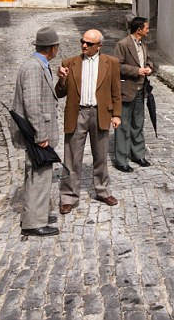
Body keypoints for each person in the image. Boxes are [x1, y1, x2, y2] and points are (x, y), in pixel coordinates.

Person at [57, 29, 122, 214]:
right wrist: (62, 80)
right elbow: (59, 93)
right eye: (82, 42)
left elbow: (116, 91)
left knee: (101, 155)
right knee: (71, 157)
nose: (84, 46)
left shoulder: (111, 63)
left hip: (100, 113)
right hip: (77, 114)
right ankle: (68, 196)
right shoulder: (70, 63)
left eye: (89, 44)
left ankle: (102, 191)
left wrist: (116, 115)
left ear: (99, 46)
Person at [12, 26, 66, 237]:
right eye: (57, 46)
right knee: (38, 174)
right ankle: (33, 223)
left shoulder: (39, 65)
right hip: (37, 132)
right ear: (52, 48)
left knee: (40, 174)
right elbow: (32, 104)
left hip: (38, 131)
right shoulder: (34, 67)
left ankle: (37, 212)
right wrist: (41, 134)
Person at [113, 17, 154, 172]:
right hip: (126, 90)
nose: (148, 30)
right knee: (123, 125)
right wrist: (137, 71)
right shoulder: (123, 45)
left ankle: (138, 155)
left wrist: (149, 67)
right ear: (139, 30)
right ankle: (121, 159)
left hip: (140, 90)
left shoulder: (143, 45)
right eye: (146, 28)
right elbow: (117, 65)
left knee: (138, 123)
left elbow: (149, 60)